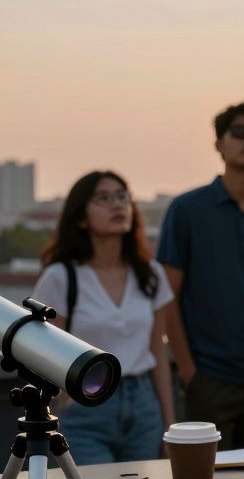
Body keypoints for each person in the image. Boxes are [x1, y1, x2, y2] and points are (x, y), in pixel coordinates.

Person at [157, 100, 244, 450]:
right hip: (210, 377)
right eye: (239, 132)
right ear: (219, 144)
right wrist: (189, 373)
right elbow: (167, 299)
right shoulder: (187, 210)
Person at [31, 171, 176, 464]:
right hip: (88, 406)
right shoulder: (61, 277)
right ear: (82, 217)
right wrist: (63, 399)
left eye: (123, 197)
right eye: (103, 198)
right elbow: (42, 350)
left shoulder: (150, 274)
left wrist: (169, 424)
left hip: (142, 404)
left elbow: (158, 349)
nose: (117, 205)